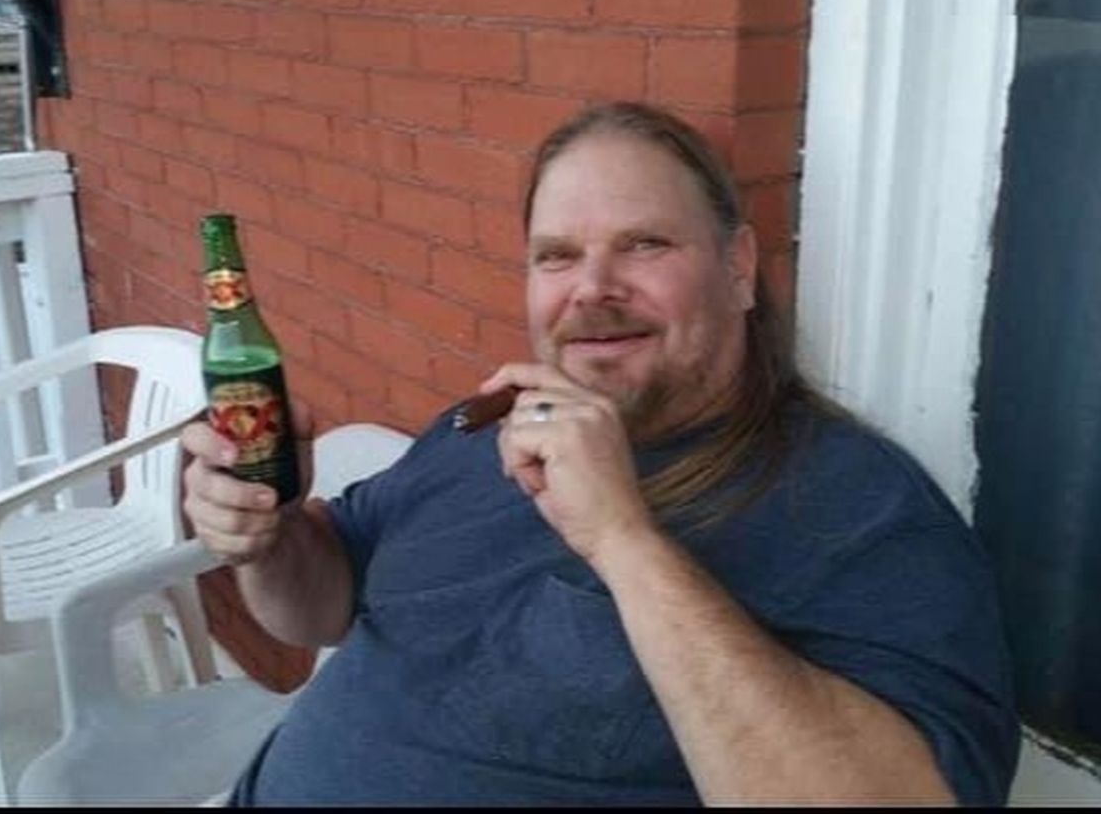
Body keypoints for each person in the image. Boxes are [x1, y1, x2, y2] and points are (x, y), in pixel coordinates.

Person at [182, 101, 1020, 805]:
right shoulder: (481, 425)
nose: (591, 289)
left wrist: (623, 539)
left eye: (645, 244)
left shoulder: (860, 507)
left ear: (737, 268)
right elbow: (321, 608)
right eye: (557, 256)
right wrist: (272, 534)